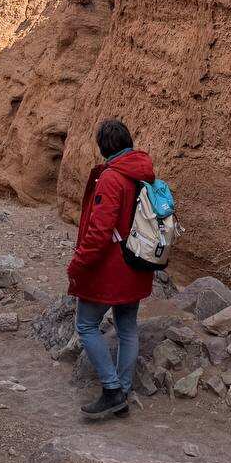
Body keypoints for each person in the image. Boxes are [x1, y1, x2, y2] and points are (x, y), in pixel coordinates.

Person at [66, 118, 156, 419]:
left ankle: (112, 389)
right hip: (138, 265)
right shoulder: (143, 174)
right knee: (127, 328)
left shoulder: (111, 177)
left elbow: (99, 232)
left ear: (103, 147)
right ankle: (123, 391)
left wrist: (78, 264)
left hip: (111, 269)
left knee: (86, 325)